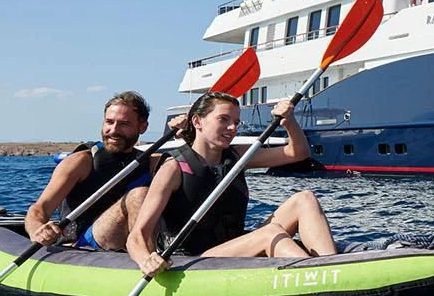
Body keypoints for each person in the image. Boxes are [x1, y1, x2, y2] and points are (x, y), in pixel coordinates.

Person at [126, 91, 338, 278]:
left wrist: (289, 121)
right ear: (198, 121)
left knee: (305, 199)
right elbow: (137, 235)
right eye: (223, 119)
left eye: (236, 122)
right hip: (194, 261)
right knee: (270, 233)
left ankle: (335, 270)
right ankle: (322, 279)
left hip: (235, 248)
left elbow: (298, 153)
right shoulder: (173, 168)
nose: (232, 128)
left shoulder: (237, 156)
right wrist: (146, 260)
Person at [25, 91, 164, 251]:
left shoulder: (151, 162)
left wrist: (185, 131)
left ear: (143, 127)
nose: (113, 130)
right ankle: (147, 257)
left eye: (124, 124)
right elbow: (39, 209)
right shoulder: (81, 162)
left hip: (125, 244)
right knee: (139, 195)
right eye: (109, 122)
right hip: (83, 243)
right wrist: (37, 231)